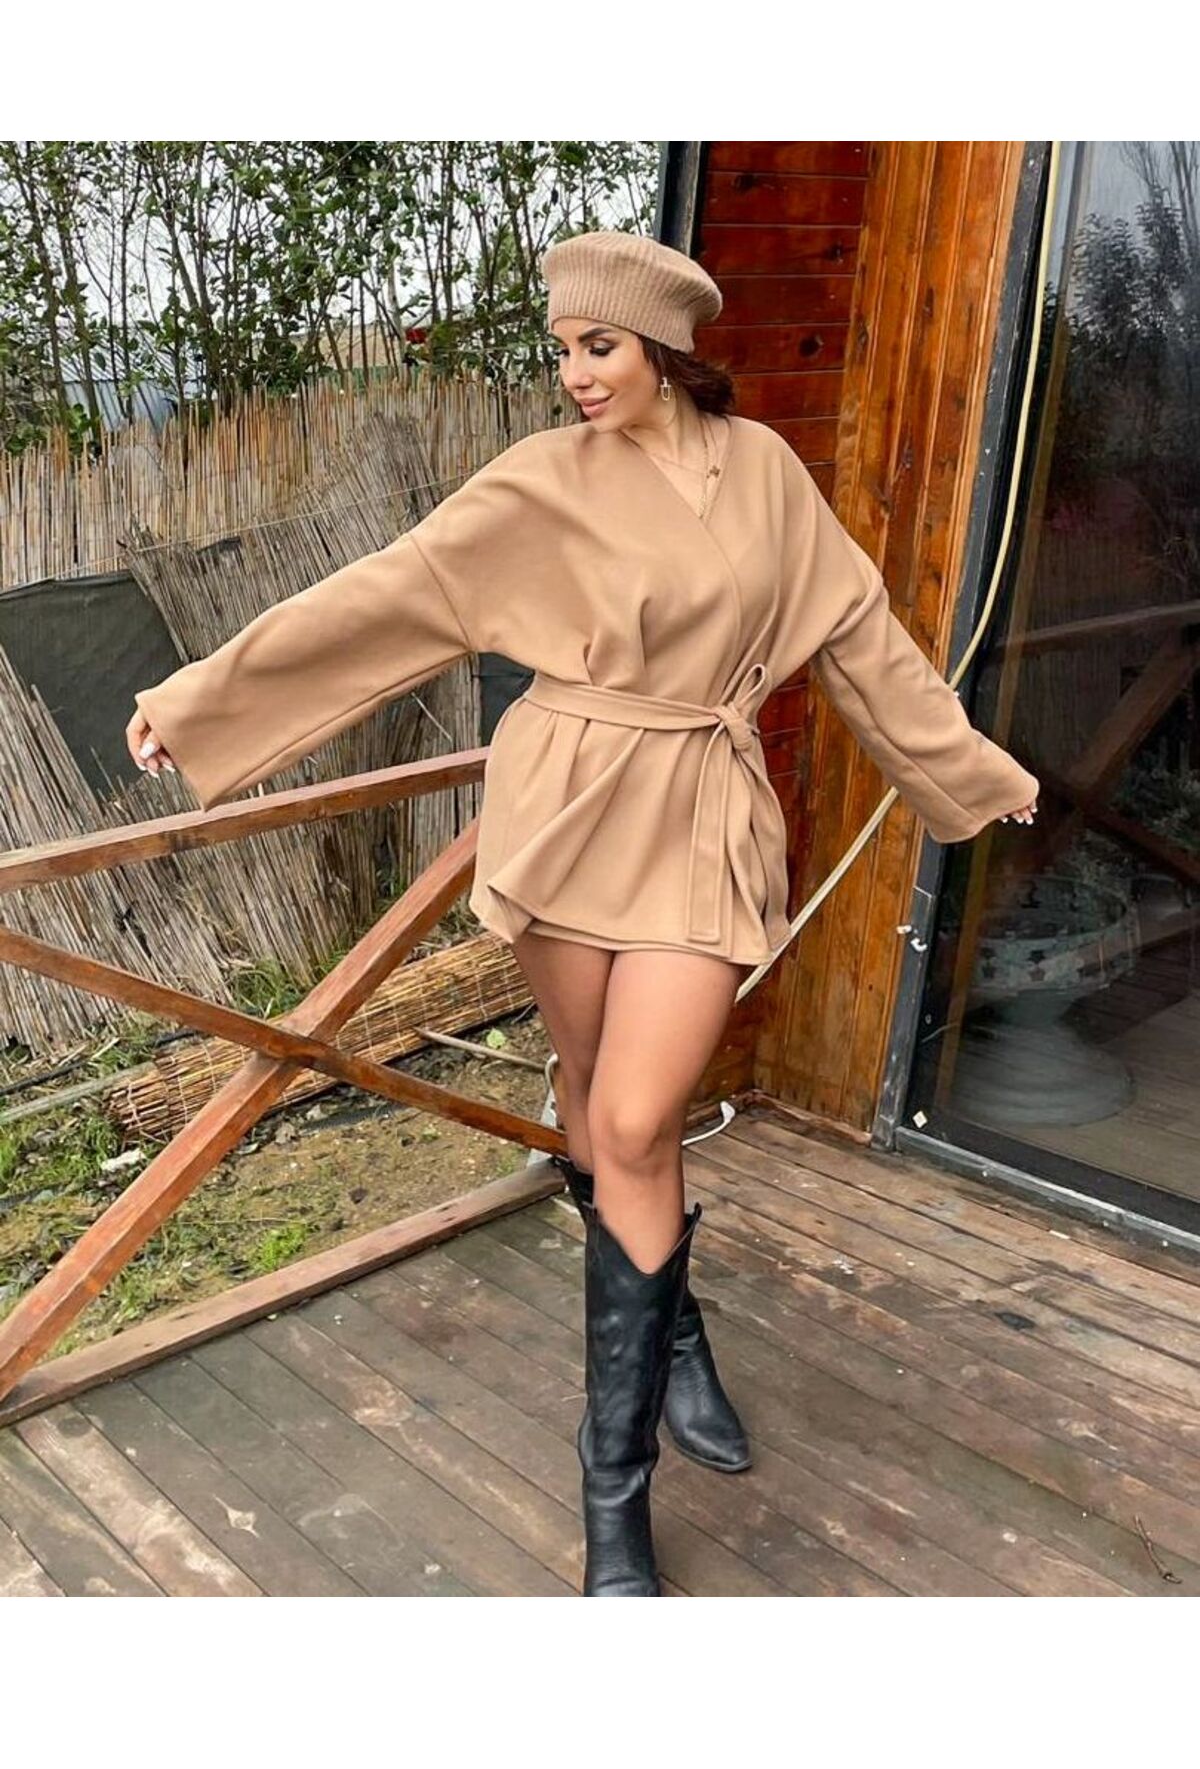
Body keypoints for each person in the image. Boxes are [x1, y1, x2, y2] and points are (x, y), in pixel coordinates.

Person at [127, 228, 1039, 1598]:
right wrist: (200, 705)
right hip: (565, 806)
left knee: (633, 1119)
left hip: (700, 814)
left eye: (599, 346)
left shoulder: (767, 474)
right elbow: (387, 596)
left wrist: (970, 773)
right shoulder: (543, 480)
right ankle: (669, 1349)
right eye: (562, 349)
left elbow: (861, 638)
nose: (576, 375)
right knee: (593, 1099)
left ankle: (615, 1483)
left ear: (665, 349)